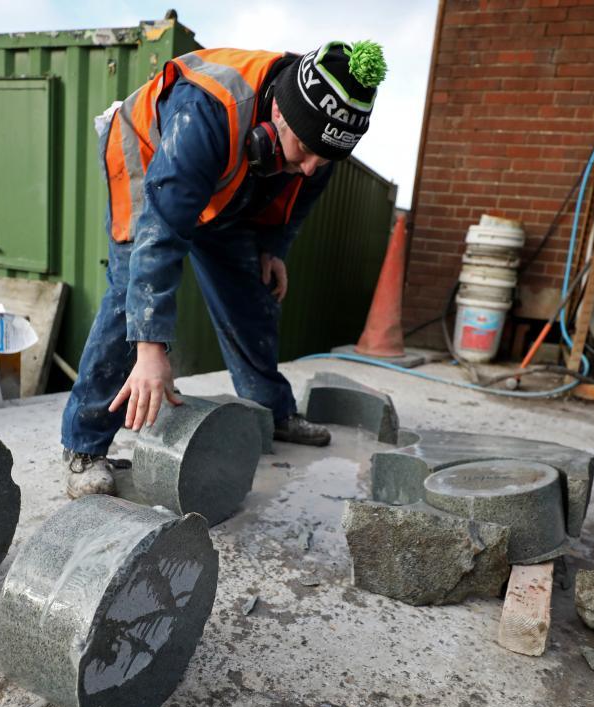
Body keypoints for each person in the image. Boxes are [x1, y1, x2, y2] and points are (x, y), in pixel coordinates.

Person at [61, 40, 386, 499]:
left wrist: (273, 248)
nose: (312, 167)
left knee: (249, 291)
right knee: (129, 297)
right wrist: (151, 349)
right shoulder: (208, 109)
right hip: (150, 156)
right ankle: (83, 446)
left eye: (326, 158)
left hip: (225, 177)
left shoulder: (320, 139)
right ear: (278, 115)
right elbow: (162, 233)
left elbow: (299, 196)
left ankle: (270, 410)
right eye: (305, 151)